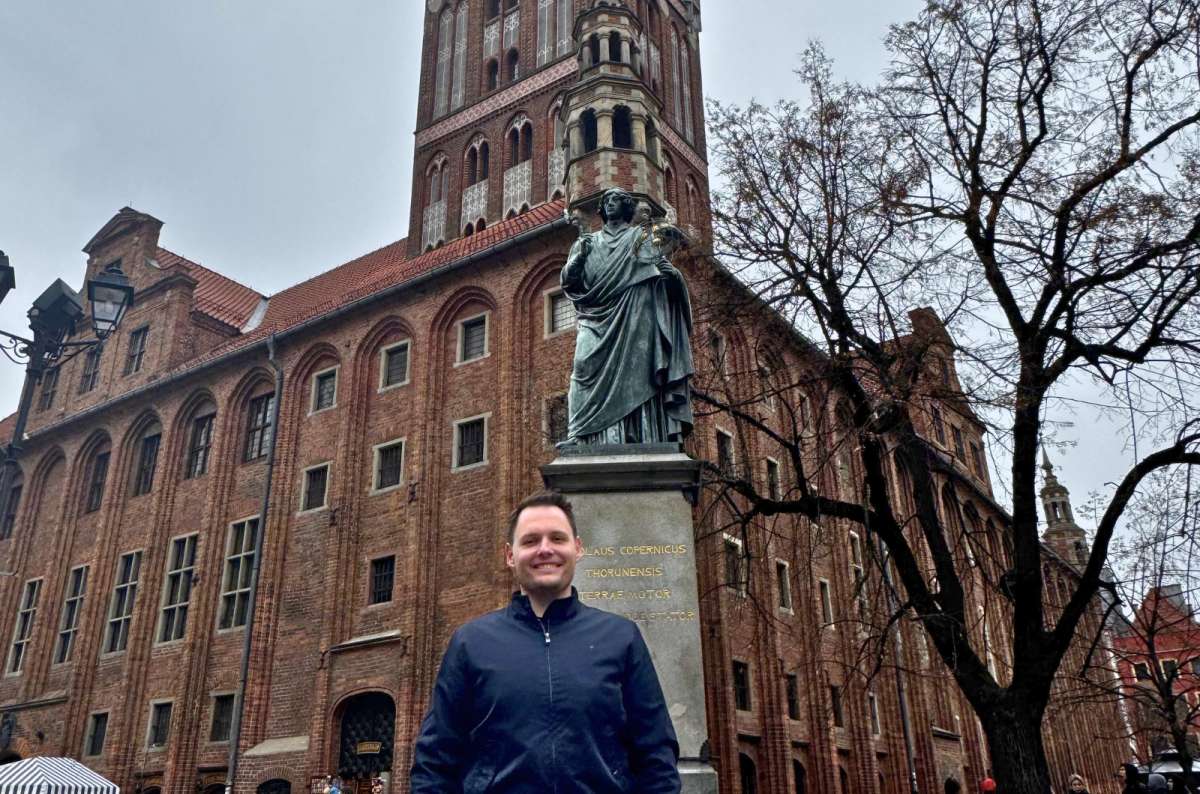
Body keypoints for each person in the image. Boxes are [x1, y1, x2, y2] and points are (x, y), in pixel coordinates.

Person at [410, 489, 681, 793]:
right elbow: (434, 761)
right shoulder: (471, 643)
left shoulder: (621, 637)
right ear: (510, 555)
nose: (545, 549)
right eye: (530, 541)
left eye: (557, 538)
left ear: (577, 548)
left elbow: (656, 754)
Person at [560, 187, 695, 445]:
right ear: (601, 209)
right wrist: (577, 260)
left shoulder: (640, 237)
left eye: (617, 200)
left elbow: (664, 274)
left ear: (626, 207)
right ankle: (581, 434)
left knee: (639, 374)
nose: (611, 203)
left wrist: (669, 273)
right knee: (582, 367)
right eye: (607, 200)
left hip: (636, 311)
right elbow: (570, 285)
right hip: (595, 316)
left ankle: (643, 435)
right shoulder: (586, 242)